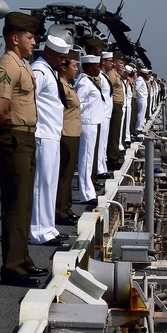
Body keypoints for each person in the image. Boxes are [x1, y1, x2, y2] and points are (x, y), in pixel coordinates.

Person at [0, 11, 47, 287]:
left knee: (25, 203)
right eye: (29, 36)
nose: (34, 41)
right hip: (13, 138)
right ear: (15, 38)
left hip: (25, 138)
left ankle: (22, 258)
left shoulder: (23, 64)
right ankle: (11, 266)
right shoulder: (7, 66)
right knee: (15, 204)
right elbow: (0, 109)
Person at [30, 35, 71, 246]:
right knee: (42, 184)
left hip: (52, 134)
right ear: (50, 54)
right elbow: (29, 98)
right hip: (43, 134)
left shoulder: (50, 71)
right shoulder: (39, 70)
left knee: (51, 183)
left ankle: (49, 228)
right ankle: (38, 231)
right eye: (61, 57)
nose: (63, 61)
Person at [55, 50, 82, 227]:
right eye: (74, 66)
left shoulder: (69, 85)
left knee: (69, 172)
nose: (77, 69)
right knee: (64, 174)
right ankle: (60, 210)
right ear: (64, 67)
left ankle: (67, 207)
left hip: (73, 132)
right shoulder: (61, 86)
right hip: (66, 133)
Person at [75, 54, 104, 203]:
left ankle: (88, 191)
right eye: (97, 66)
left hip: (92, 123)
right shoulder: (85, 83)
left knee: (88, 159)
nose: (99, 69)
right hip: (87, 123)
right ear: (89, 67)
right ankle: (86, 195)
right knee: (86, 160)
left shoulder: (88, 81)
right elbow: (77, 104)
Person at [106, 52, 126, 169]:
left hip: (118, 105)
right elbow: (108, 91)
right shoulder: (112, 75)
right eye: (121, 63)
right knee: (113, 134)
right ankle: (112, 159)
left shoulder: (116, 75)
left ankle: (114, 156)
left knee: (116, 133)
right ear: (114, 63)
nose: (122, 65)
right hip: (114, 106)